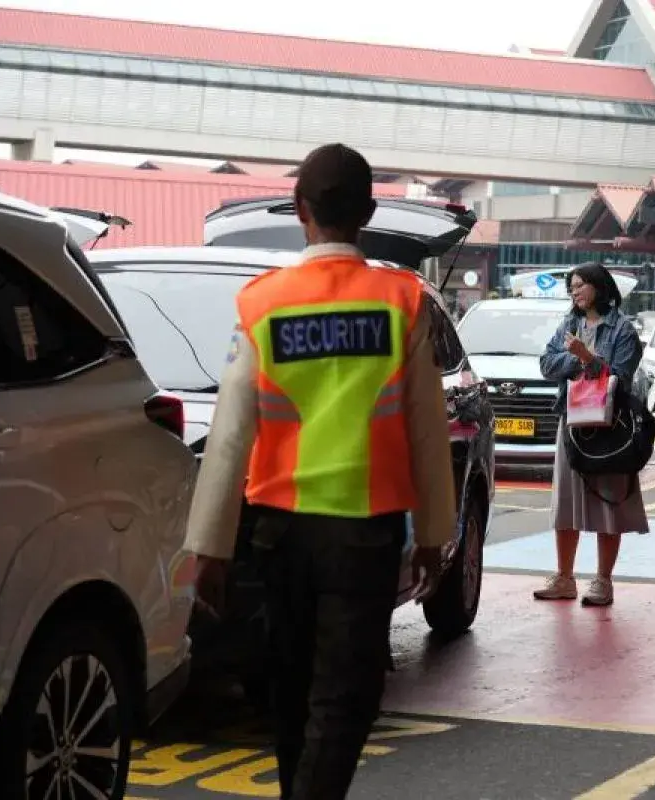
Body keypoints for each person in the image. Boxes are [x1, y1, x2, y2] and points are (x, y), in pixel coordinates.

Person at [183, 143, 454, 798]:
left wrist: (210, 549)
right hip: (365, 534)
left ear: (301, 210)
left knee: (292, 692)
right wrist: (434, 534)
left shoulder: (262, 304)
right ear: (366, 212)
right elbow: (427, 427)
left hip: (279, 533)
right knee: (345, 700)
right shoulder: (401, 301)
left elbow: (228, 436)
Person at [534, 263, 648, 606]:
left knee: (607, 501)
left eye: (580, 285)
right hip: (572, 421)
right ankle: (565, 577)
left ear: (599, 286)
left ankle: (603, 580)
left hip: (610, 427)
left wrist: (588, 358)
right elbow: (546, 364)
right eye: (571, 287)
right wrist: (577, 361)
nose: (575, 292)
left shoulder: (623, 330)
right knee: (566, 500)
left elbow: (621, 378)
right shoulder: (570, 324)